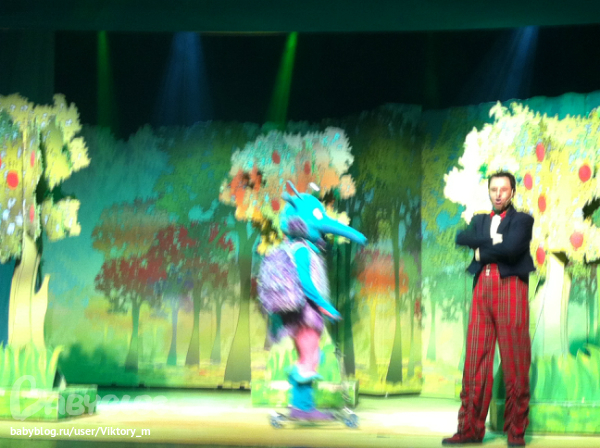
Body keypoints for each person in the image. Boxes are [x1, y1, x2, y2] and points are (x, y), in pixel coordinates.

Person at [443, 171, 535, 447]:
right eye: (494, 189)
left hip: (511, 288)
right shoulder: (480, 220)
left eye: (503, 189)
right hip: (482, 288)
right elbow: (462, 238)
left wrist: (482, 250)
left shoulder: (522, 220)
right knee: (475, 361)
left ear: (512, 192)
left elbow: (513, 249)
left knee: (515, 361)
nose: (498, 194)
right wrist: (495, 245)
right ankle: (469, 429)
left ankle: (516, 431)